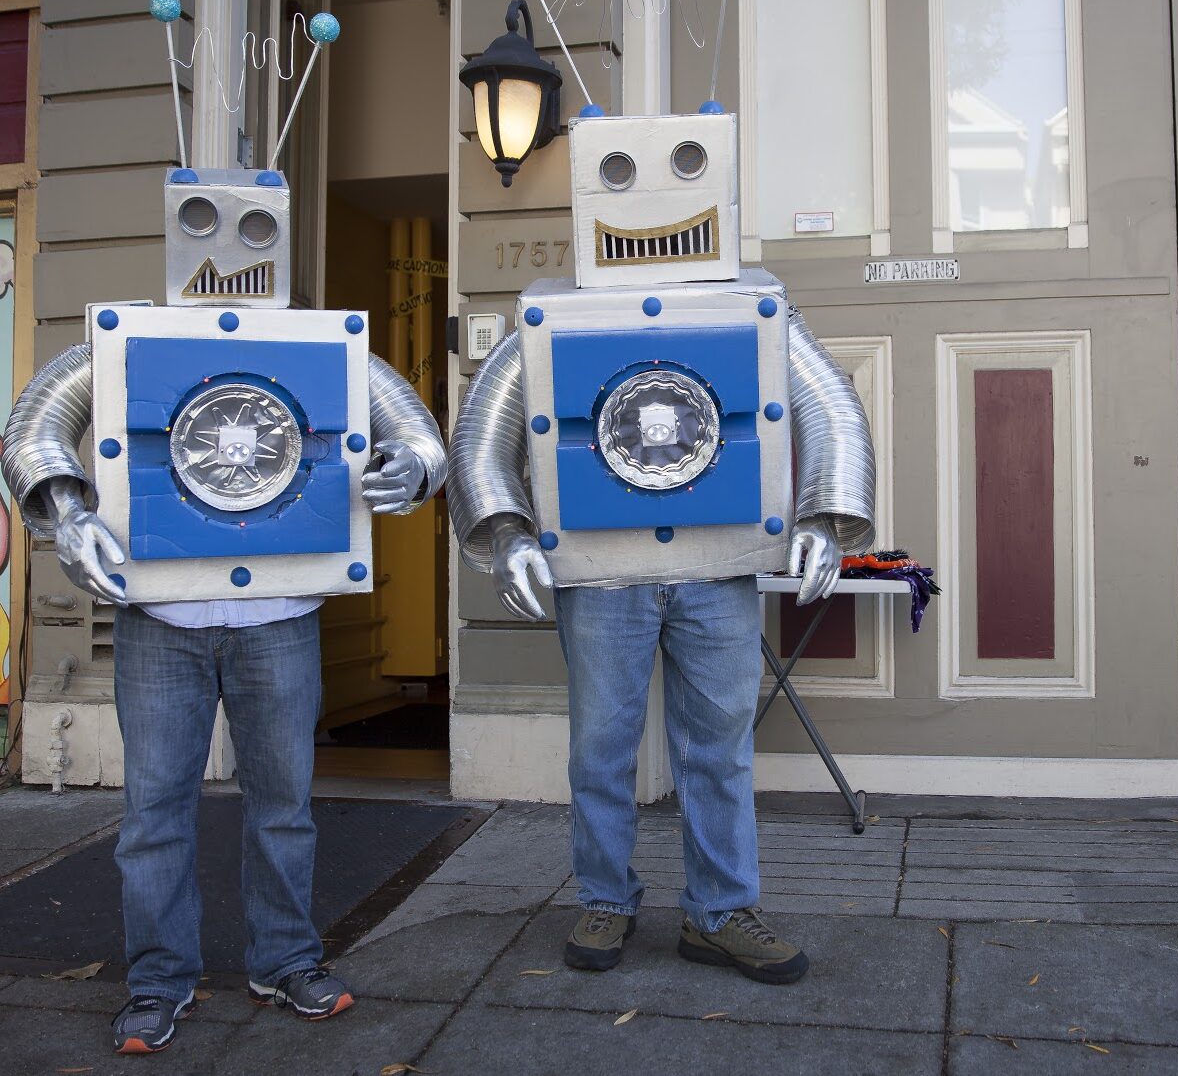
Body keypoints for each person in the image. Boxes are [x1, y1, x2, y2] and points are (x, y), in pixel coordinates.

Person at [3, 89, 446, 1051]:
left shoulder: (320, 342)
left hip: (278, 618)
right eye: (206, 219)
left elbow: (419, 432)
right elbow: (36, 423)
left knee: (283, 808)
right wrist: (67, 513)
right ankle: (158, 978)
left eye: (251, 225)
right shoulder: (128, 342)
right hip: (162, 621)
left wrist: (412, 468)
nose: (231, 244)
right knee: (153, 813)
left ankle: (284, 958)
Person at [448, 105, 875, 985]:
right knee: (600, 749)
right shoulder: (553, 315)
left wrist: (825, 518)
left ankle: (720, 911)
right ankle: (605, 898)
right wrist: (507, 530)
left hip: (717, 568)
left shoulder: (754, 306)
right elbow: (483, 432)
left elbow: (828, 404)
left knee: (719, 747)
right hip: (600, 576)